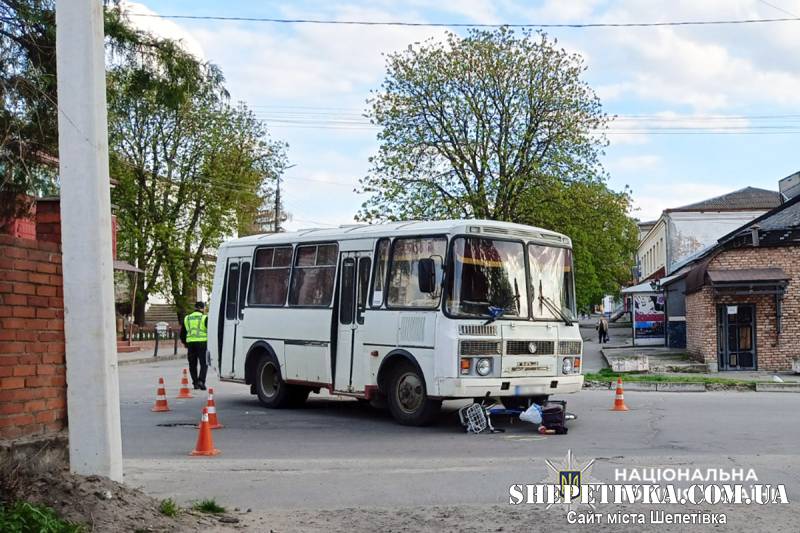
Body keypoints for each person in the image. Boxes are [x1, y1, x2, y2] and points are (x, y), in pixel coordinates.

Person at [181, 301, 209, 390]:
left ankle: (195, 383)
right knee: (204, 363)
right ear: (202, 308)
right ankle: (201, 381)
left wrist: (185, 343)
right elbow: (210, 331)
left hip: (191, 344)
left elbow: (182, 333)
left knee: (192, 364)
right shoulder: (205, 318)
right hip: (202, 343)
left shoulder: (187, 318)